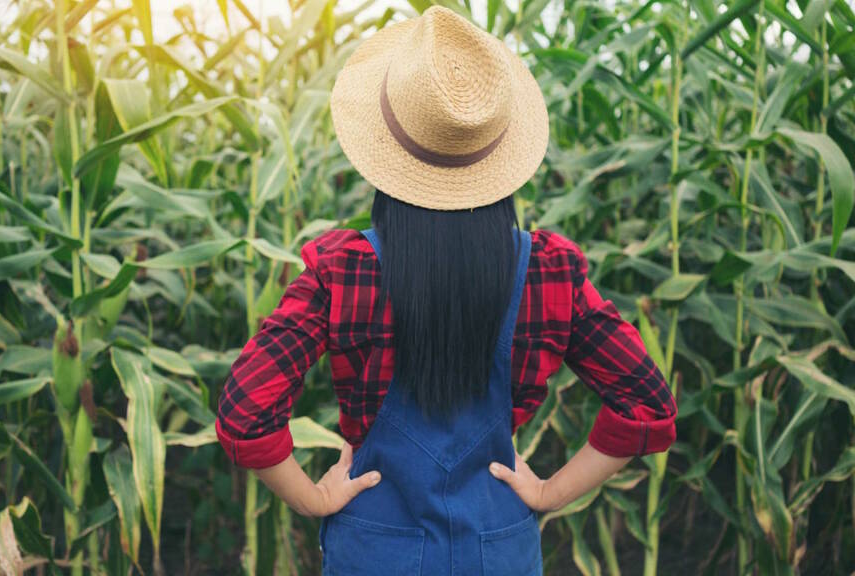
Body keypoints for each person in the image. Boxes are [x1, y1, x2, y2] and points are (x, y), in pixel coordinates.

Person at [215, 6, 677, 575]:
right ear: (499, 157)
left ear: (388, 152)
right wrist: (550, 492)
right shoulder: (549, 274)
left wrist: (314, 498)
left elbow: (245, 413)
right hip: (501, 551)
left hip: (374, 552)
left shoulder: (344, 272)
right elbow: (646, 408)